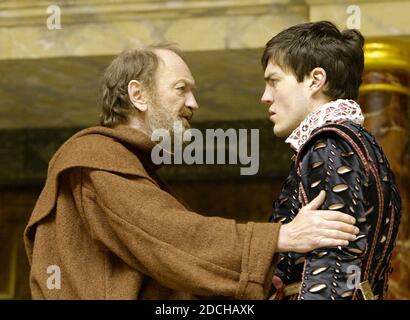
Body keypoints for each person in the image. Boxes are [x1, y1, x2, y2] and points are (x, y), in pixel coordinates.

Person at [24, 44, 358, 300]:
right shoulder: (94, 156)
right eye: (181, 88)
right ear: (138, 95)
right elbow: (168, 236)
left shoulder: (126, 161)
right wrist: (282, 237)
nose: (194, 103)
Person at [261, 21, 402, 300]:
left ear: (315, 80)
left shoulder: (330, 145)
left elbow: (332, 269)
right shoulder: (361, 143)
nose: (265, 97)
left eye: (273, 81)